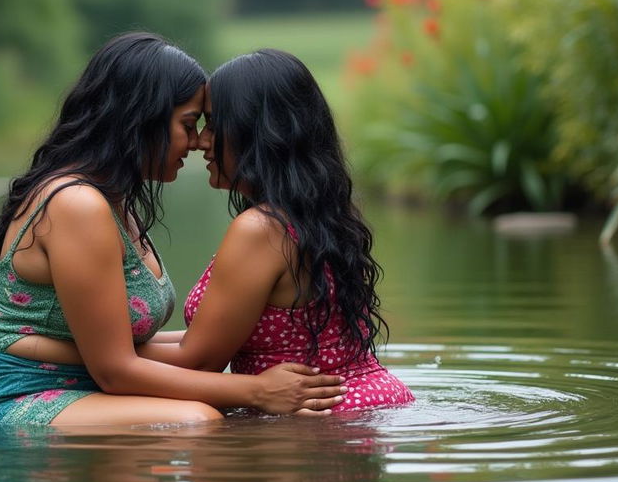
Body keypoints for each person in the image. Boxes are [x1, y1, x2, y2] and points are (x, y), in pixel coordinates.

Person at [0, 34, 347, 427]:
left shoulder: (113, 203)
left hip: (85, 386)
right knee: (196, 420)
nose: (197, 143)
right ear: (141, 120)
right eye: (189, 125)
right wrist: (255, 390)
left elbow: (129, 352)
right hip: (17, 392)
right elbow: (115, 369)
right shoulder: (77, 205)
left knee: (215, 411)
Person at [136, 49, 415, 410]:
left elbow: (199, 361)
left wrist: (90, 360)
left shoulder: (260, 229)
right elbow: (204, 342)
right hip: (366, 403)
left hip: (319, 424)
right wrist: (108, 348)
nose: (202, 141)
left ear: (256, 133)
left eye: (214, 124)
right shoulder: (314, 215)